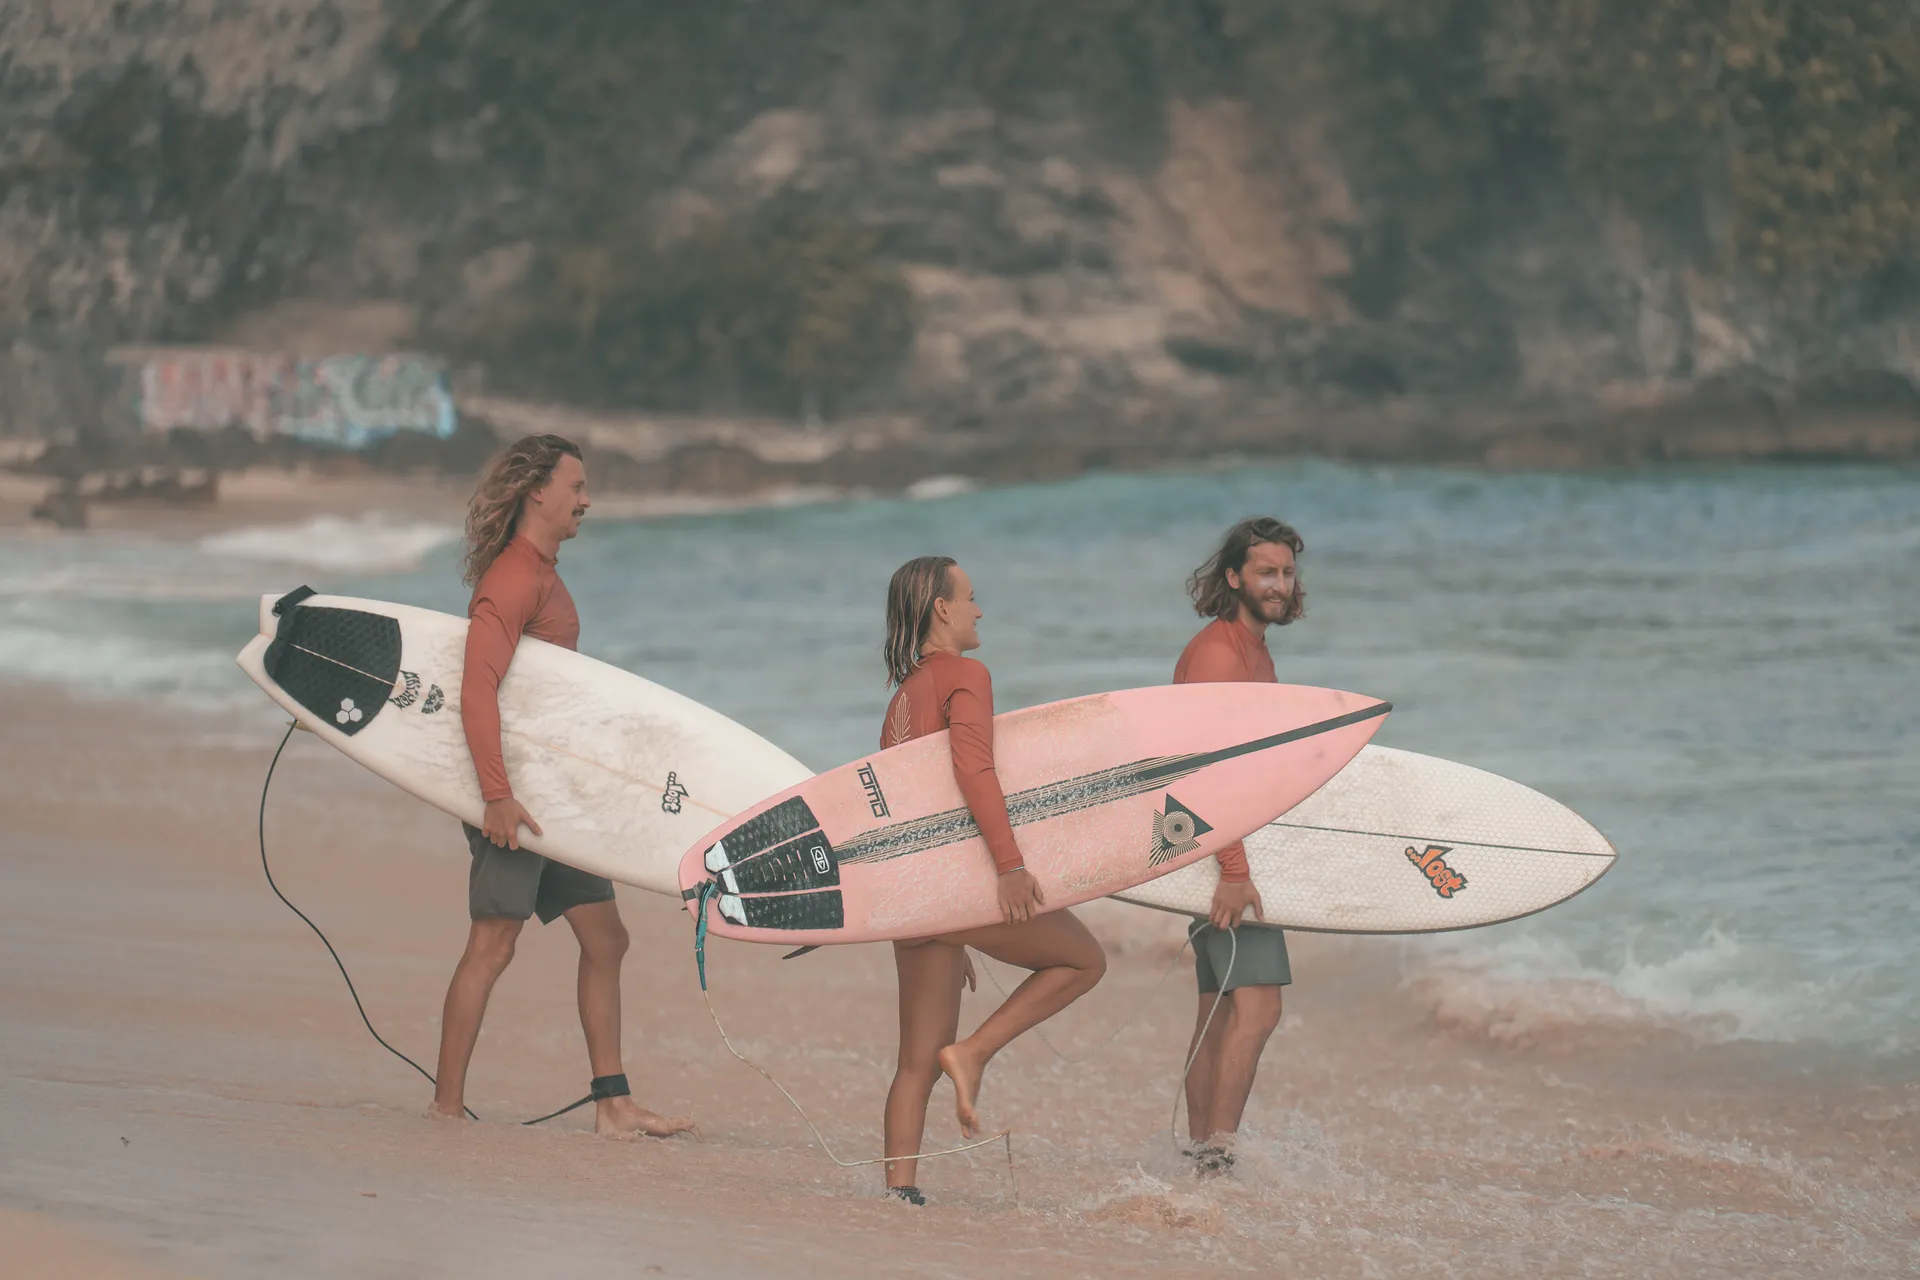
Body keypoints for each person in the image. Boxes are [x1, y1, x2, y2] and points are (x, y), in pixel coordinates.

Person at [429, 433, 693, 1138]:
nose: (586, 500)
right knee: (492, 945)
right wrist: (495, 796)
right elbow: (476, 692)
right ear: (535, 492)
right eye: (575, 487)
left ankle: (613, 1106)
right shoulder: (512, 580)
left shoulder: (542, 573)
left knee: (606, 940)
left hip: (553, 799)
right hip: (514, 800)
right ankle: (446, 1109)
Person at [877, 556, 1107, 1205]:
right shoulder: (966, 674)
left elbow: (906, 809)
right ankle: (975, 1052)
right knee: (1083, 960)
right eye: (972, 598)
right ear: (942, 610)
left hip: (912, 896)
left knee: (914, 1057)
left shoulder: (904, 694)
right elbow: (973, 771)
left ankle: (901, 1190)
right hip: (954, 887)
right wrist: (1008, 869)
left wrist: (944, 924)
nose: (980, 610)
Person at [1173, 517, 1306, 1175]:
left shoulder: (1256, 651)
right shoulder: (1218, 653)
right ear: (1233, 578)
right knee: (1259, 1004)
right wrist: (1232, 869)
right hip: (1222, 853)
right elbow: (1201, 767)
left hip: (1229, 848)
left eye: (1285, 572)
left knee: (1222, 1007)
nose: (1280, 585)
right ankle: (1217, 1156)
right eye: (1266, 572)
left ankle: (1201, 1157)